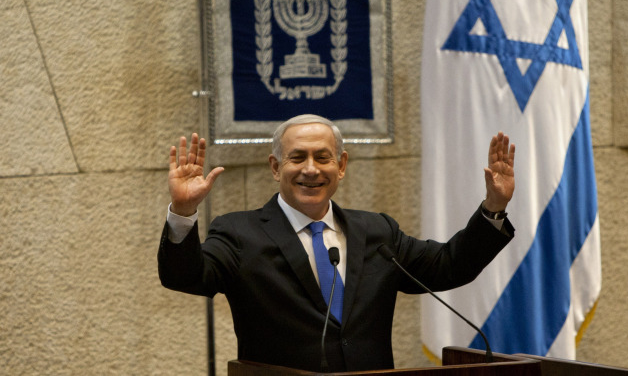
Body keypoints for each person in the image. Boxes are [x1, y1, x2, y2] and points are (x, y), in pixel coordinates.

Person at [158, 114, 516, 372]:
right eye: (297, 157)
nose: (311, 169)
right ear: (275, 167)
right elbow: (187, 276)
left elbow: (449, 266)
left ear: (341, 165)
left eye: (322, 157)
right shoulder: (239, 233)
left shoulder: (376, 232)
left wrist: (494, 208)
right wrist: (183, 211)